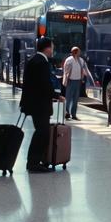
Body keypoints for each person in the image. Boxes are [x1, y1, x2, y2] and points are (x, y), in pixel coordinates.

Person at [22, 37, 62, 173]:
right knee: (42, 133)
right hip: (39, 105)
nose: (53, 50)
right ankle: (33, 163)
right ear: (47, 48)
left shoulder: (34, 60)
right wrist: (57, 96)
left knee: (41, 132)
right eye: (52, 47)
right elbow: (44, 84)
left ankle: (35, 161)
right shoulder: (42, 63)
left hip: (35, 103)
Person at [61, 47, 94, 121]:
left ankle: (74, 114)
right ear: (75, 52)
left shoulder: (81, 60)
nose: (80, 53)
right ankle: (66, 113)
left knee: (75, 99)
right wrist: (66, 78)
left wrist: (86, 77)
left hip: (78, 81)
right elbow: (65, 70)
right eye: (78, 51)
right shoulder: (69, 60)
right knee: (68, 98)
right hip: (70, 81)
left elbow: (84, 69)